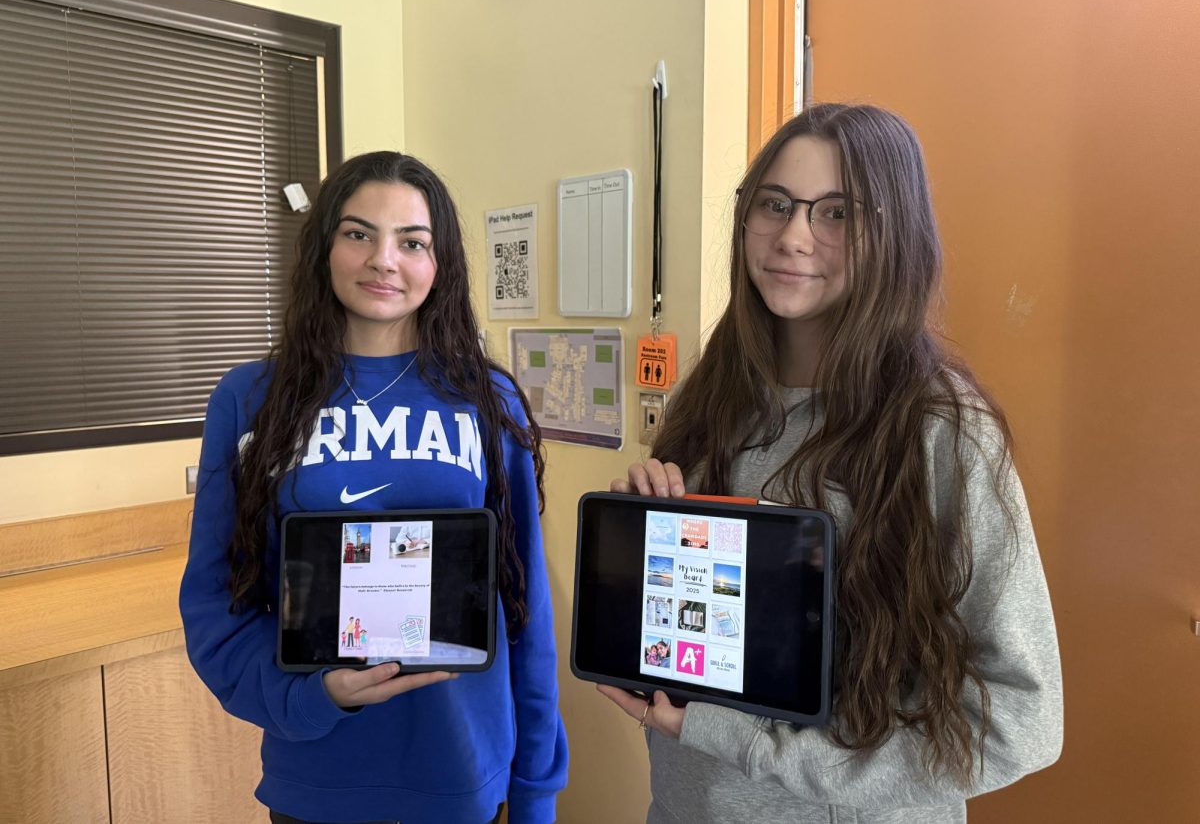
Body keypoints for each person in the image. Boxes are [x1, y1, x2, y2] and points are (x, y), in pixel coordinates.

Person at [601, 103, 1062, 822]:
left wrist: (760, 747)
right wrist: (640, 543)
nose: (792, 236)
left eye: (836, 213)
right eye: (774, 204)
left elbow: (1019, 723)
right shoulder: (707, 394)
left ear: (894, 233)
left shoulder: (941, 430)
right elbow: (701, 638)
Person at [179, 151, 568, 824]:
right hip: (320, 781)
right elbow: (215, 605)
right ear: (324, 247)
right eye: (358, 233)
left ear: (439, 261)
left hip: (464, 775)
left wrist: (535, 792)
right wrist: (313, 694)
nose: (383, 259)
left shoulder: (487, 399)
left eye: (411, 241)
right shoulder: (251, 400)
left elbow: (524, 610)